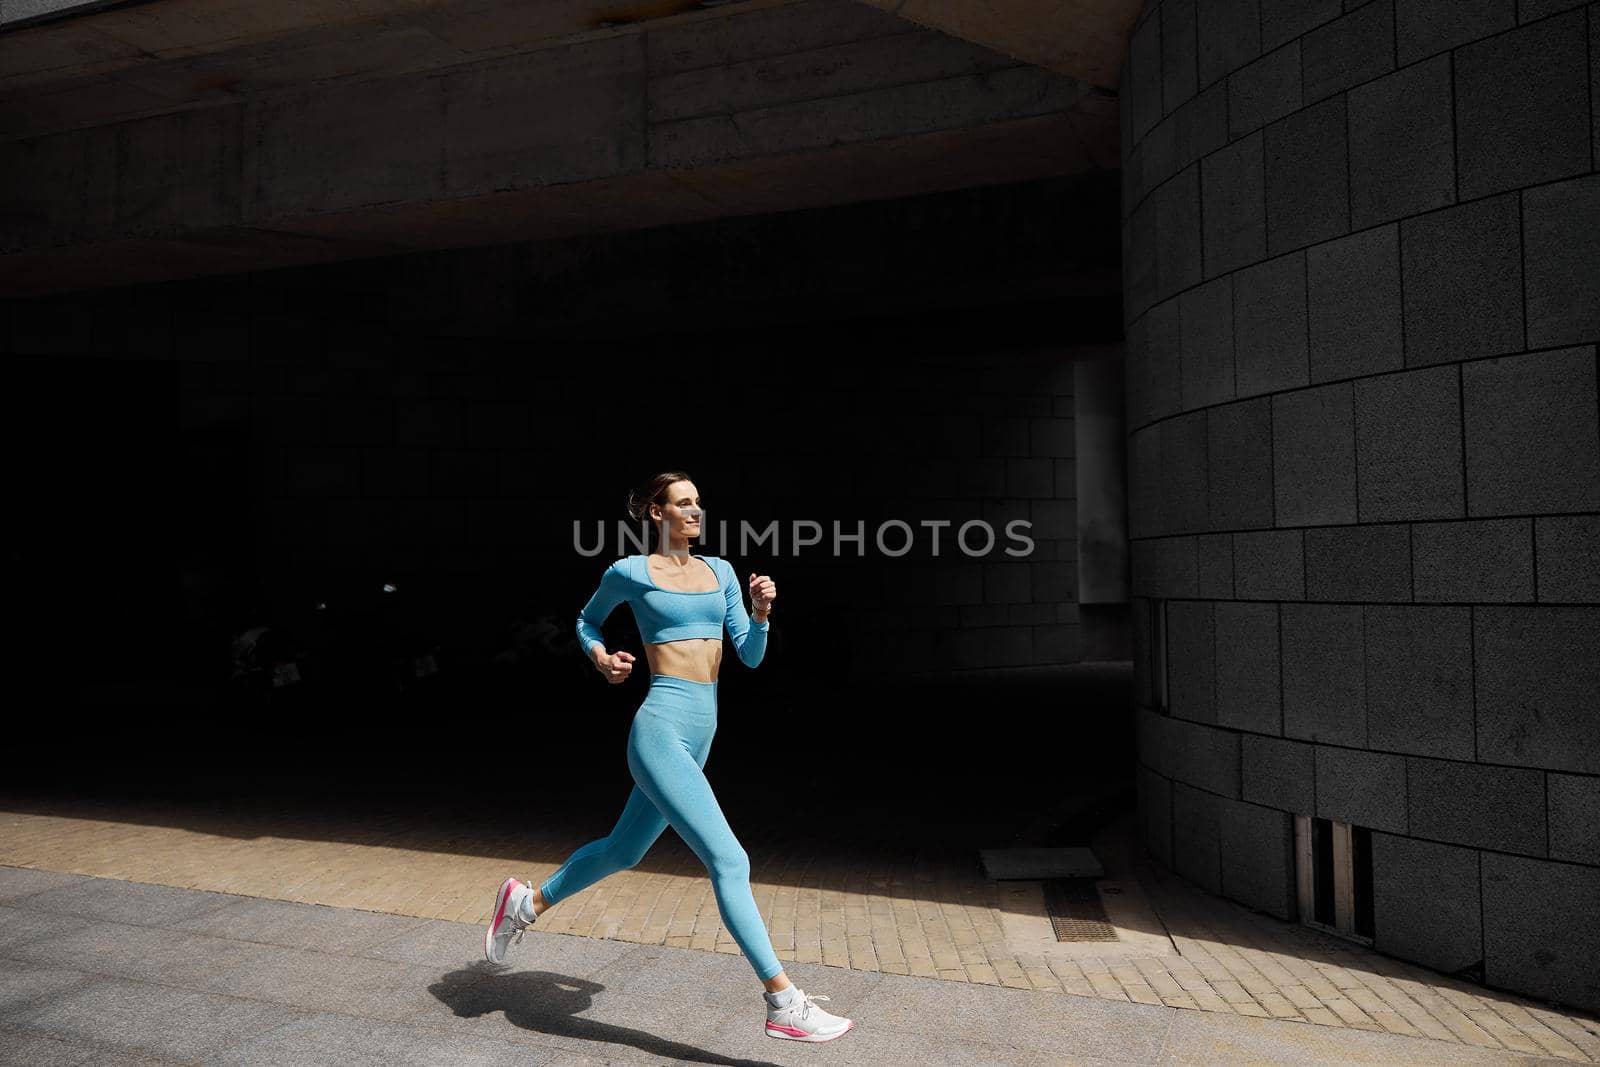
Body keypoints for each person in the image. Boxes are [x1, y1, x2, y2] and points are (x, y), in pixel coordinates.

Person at [484, 471, 855, 1043]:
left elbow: (750, 658)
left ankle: (526, 902)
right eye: (684, 504)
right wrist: (601, 657)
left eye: (699, 503)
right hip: (659, 732)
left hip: (700, 734)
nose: (695, 511)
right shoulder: (629, 573)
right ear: (656, 514)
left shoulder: (721, 573)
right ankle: (782, 1001)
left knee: (624, 851)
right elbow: (585, 621)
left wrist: (759, 613)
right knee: (731, 862)